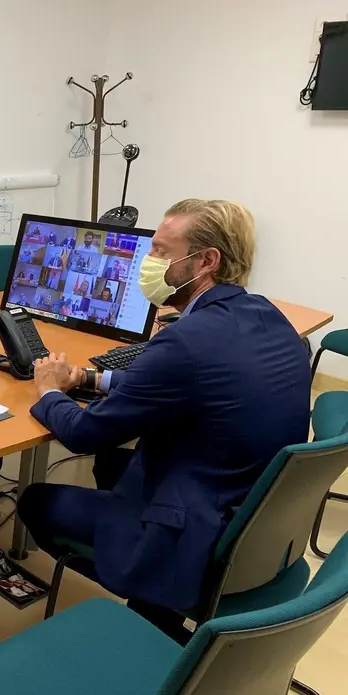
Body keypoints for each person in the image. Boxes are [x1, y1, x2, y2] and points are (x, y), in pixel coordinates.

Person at [18, 199, 310, 639]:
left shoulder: (184, 342)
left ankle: (151, 617)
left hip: (198, 533)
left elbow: (82, 433)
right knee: (112, 464)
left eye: (160, 251)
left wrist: (50, 389)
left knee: (35, 500)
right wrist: (92, 378)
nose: (148, 263)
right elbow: (191, 384)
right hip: (257, 519)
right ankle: (150, 594)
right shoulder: (268, 316)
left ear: (207, 261)